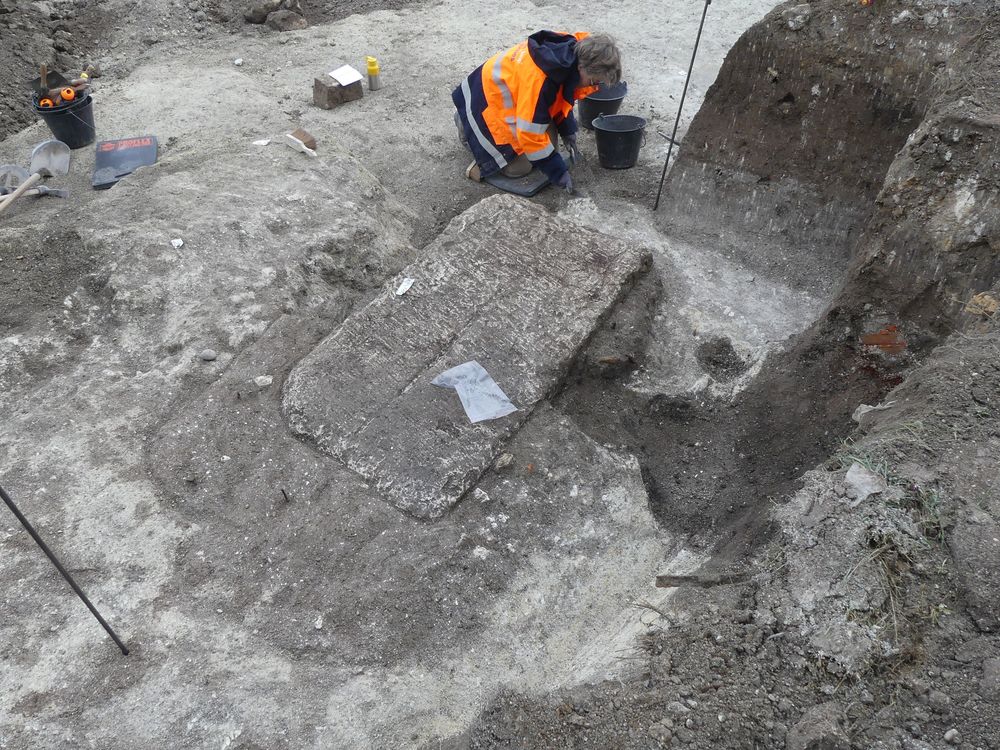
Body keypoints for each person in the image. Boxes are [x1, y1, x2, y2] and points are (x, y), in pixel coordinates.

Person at [452, 31, 622, 192]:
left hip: (511, 103)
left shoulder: (567, 57)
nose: (592, 86)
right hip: (482, 110)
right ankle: (476, 147)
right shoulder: (542, 81)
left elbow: (560, 99)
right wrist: (558, 173)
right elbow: (529, 134)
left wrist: (568, 130)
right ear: (582, 68)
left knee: (548, 151)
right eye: (593, 81)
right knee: (520, 168)